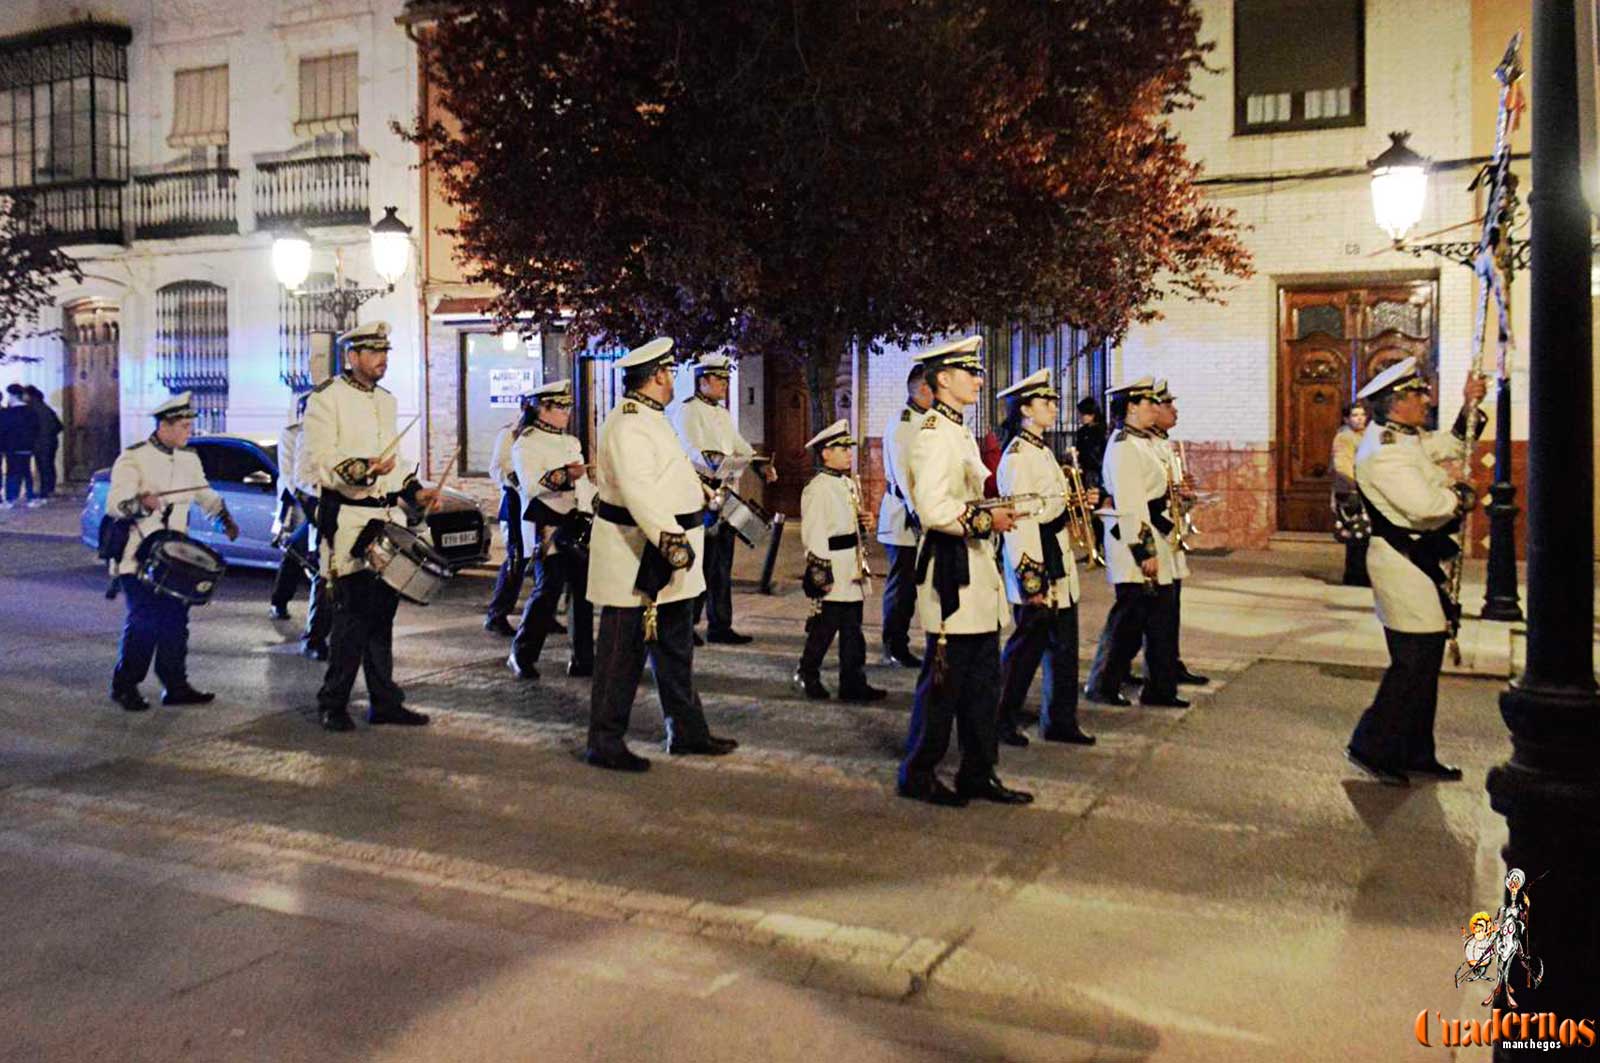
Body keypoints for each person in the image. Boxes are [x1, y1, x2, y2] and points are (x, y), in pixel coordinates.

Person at [585, 337, 738, 772]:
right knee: (621, 653)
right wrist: (671, 541)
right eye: (669, 372)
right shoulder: (629, 422)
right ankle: (605, 740)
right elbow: (638, 490)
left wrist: (698, 490)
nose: (672, 379)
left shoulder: (653, 417)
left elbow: (665, 472)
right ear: (657, 376)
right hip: (640, 553)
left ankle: (687, 731)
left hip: (669, 552)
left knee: (675, 650)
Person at [897, 335, 1031, 808]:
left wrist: (991, 509)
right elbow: (932, 508)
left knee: (982, 684)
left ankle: (979, 771)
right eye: (969, 372)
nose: (978, 379)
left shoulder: (958, 431)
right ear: (944, 379)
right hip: (950, 573)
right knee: (943, 683)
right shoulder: (932, 434)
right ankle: (918, 772)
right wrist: (983, 518)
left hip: (974, 566)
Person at [1343, 357, 1485, 786]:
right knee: (1412, 662)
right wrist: (1459, 496)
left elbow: (1452, 445)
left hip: (1417, 564)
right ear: (1395, 403)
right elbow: (1424, 508)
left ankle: (1415, 751)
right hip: (1403, 566)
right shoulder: (1383, 453)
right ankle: (1370, 745)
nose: (1427, 400)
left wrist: (1469, 405)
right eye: (1419, 395)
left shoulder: (1405, 438)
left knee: (1425, 664)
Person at [302, 321, 437, 733]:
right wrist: (362, 469)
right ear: (352, 356)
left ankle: (384, 701)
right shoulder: (326, 400)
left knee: (382, 614)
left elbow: (393, 467)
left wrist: (413, 492)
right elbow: (319, 461)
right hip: (347, 521)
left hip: (384, 519)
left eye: (385, 352)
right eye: (373, 351)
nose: (382, 359)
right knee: (351, 616)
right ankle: (333, 701)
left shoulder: (387, 401)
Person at [106, 392, 240, 712]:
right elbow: (116, 505)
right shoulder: (133, 457)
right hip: (138, 557)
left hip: (175, 557)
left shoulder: (189, 459)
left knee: (175, 622)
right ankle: (125, 685)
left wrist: (223, 518)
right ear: (163, 426)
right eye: (182, 426)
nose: (188, 432)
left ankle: (175, 685)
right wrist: (142, 503)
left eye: (189, 425)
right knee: (144, 622)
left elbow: (203, 492)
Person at [993, 369, 1096, 747]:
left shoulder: (1041, 449)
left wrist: (1075, 501)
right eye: (1046, 402)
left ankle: (1059, 720)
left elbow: (1050, 503)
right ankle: (1000, 717)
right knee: (1026, 647)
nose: (1054, 407)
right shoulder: (1019, 457)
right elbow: (1020, 522)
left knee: (1064, 645)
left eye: (1053, 401)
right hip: (1036, 558)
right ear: (1025, 409)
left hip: (1057, 553)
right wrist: (1030, 581)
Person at [1083, 378, 1186, 708]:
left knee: (1158, 620)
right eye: (1149, 404)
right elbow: (1129, 504)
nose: (1155, 408)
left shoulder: (1142, 442)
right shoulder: (1125, 445)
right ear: (1130, 407)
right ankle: (1102, 683)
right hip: (1133, 542)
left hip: (1155, 532)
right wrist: (1145, 551)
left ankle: (1160, 689)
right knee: (1129, 620)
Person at [671, 352, 776, 645]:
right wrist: (718, 461)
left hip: (724, 494)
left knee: (722, 564)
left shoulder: (722, 413)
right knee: (698, 564)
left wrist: (759, 463)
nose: (725, 386)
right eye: (721, 380)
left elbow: (740, 444)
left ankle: (720, 625)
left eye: (727, 380)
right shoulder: (688, 411)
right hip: (699, 493)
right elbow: (690, 449)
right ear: (703, 380)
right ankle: (686, 626)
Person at [507, 379, 595, 679]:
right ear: (541, 409)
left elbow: (582, 485)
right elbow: (531, 484)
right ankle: (522, 653)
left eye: (568, 406)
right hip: (547, 527)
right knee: (547, 592)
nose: (567, 412)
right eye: (560, 406)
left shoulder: (571, 442)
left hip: (576, 523)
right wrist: (567, 475)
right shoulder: (526, 443)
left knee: (583, 594)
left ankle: (583, 658)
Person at [795, 419, 886, 703]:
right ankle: (807, 673)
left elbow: (850, 523)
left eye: (849, 448)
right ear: (825, 453)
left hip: (852, 567)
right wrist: (821, 573)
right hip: (832, 566)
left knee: (852, 629)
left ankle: (853, 681)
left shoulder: (848, 483)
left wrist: (865, 523)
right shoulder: (817, 488)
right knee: (824, 628)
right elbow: (814, 533)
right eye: (842, 448)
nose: (849, 453)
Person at [1150, 381, 1208, 687]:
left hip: (1169, 535)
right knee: (1144, 617)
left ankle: (1170, 665)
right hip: (1154, 537)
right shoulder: (1138, 445)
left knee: (1169, 611)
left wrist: (1184, 492)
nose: (1175, 411)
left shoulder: (1162, 443)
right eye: (1168, 405)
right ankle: (1110, 677)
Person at [876, 364, 931, 668]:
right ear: (923, 388)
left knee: (913, 585)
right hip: (903, 517)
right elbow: (902, 472)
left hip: (921, 513)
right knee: (902, 586)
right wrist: (916, 510)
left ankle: (902, 642)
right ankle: (894, 645)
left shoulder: (929, 420)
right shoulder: (903, 422)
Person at [484, 394, 537, 637]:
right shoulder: (510, 434)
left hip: (538, 503)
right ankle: (498, 613)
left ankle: (539, 614)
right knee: (516, 558)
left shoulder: (544, 436)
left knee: (542, 558)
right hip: (515, 502)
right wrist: (519, 482)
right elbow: (498, 468)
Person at [1331, 402, 1371, 587]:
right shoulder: (1345, 437)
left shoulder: (1365, 435)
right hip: (1351, 491)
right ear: (1346, 419)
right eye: (1355, 415)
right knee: (1357, 535)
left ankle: (1359, 575)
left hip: (1363, 489)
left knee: (1362, 535)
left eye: (1362, 414)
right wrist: (1353, 487)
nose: (1360, 418)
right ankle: (1355, 576)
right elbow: (1343, 465)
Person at [0, 383, 35, 508]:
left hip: (12, 447)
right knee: (26, 471)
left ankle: (11, 498)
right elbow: (36, 428)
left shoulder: (8, 413)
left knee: (12, 473)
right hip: (27, 447)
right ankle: (31, 496)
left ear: (13, 396)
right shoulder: (30, 411)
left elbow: (3, 430)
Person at [25, 386, 61, 503]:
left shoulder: (32, 409)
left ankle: (45, 491)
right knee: (48, 466)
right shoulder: (46, 408)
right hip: (50, 441)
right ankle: (49, 489)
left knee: (43, 467)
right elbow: (59, 426)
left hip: (41, 442)